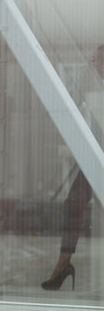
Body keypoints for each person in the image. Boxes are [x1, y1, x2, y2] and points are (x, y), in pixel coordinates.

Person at [41, 44, 104, 291]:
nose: (92, 62)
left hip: (99, 161)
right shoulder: (96, 90)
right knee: (74, 206)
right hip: (95, 159)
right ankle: (62, 265)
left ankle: (63, 266)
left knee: (75, 206)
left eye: (95, 59)